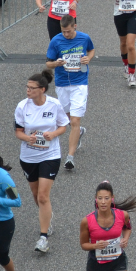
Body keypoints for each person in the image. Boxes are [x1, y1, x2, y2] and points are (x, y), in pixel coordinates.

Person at [14, 69, 69, 253]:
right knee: (36, 195)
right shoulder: (22, 106)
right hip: (28, 157)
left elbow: (63, 125)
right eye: (27, 87)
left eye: (32, 88)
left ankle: (43, 237)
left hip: (50, 155)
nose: (28, 91)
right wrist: (26, 138)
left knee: (43, 196)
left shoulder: (54, 105)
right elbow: (18, 131)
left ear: (42, 89)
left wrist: (53, 134)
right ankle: (47, 216)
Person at [44, 14, 93, 171]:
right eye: (63, 31)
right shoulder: (56, 41)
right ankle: (78, 132)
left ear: (75, 27)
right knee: (66, 118)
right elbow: (48, 64)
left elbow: (91, 50)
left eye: (69, 31)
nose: (66, 34)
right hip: (62, 83)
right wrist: (56, 63)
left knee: (74, 121)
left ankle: (70, 158)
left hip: (80, 83)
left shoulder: (84, 38)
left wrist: (88, 58)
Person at [80, 181, 136, 271]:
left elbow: (127, 228)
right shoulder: (87, 221)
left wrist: (126, 238)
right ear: (96, 199)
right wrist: (95, 245)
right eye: (100, 198)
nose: (103, 202)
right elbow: (83, 245)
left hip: (117, 262)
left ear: (112, 198)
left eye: (106, 198)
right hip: (96, 265)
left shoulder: (123, 215)